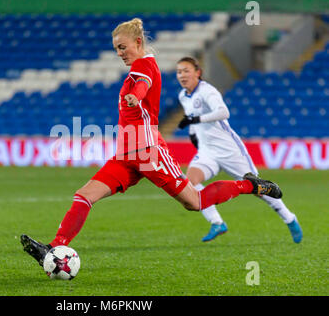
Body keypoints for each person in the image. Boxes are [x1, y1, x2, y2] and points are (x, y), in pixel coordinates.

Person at [20, 18, 284, 267]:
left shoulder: (144, 65)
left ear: (137, 42)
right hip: (125, 155)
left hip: (148, 153)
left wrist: (135, 95)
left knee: (195, 201)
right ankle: (54, 248)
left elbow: (143, 85)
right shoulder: (136, 67)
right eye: (116, 49)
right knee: (85, 195)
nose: (120, 53)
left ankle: (251, 185)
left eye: (122, 47)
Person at [175, 56, 302, 243]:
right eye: (179, 72)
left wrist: (196, 120)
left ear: (197, 72)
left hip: (230, 151)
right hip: (207, 152)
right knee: (191, 182)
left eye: (186, 70)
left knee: (258, 189)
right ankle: (217, 222)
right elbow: (193, 117)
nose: (182, 75)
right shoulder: (182, 96)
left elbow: (223, 112)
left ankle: (289, 218)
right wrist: (193, 131)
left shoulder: (207, 91)